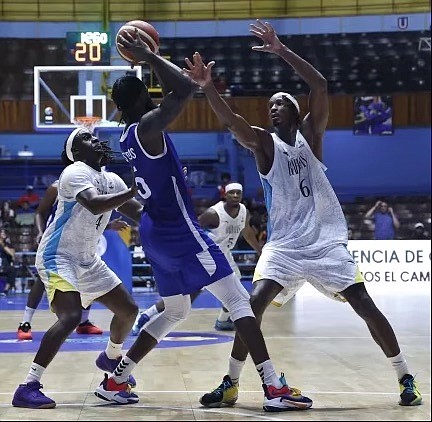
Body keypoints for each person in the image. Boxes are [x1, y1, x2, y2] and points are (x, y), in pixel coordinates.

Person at [183, 19, 422, 407]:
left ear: (295, 112)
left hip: (326, 242)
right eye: (270, 104)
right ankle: (230, 381)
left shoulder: (312, 138)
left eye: (279, 103)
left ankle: (405, 376)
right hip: (285, 246)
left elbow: (320, 86)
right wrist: (208, 88)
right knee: (251, 305)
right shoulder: (264, 144)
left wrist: (281, 50)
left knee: (366, 306)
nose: (272, 107)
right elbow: (233, 122)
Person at [94, 28, 312, 413]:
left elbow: (175, 93)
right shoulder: (147, 128)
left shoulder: (127, 135)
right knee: (239, 300)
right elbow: (182, 90)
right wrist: (151, 57)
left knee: (175, 311)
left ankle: (117, 377)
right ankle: (273, 386)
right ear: (144, 98)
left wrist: (151, 61)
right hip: (179, 230)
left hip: (155, 232)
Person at [12, 127, 145, 409]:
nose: (94, 139)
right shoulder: (74, 172)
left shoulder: (111, 178)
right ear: (77, 153)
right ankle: (28, 386)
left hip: (87, 259)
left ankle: (111, 356)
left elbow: (137, 212)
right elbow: (95, 205)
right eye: (86, 138)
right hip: (57, 256)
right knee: (72, 316)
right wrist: (134, 189)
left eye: (94, 136)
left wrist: (162, 195)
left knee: (129, 310)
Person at [131, 181, 262, 334]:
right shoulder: (214, 214)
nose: (235, 195)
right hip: (205, 257)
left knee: (235, 294)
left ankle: (223, 320)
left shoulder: (243, 211)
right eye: (231, 192)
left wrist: (259, 250)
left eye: (238, 193)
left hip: (224, 256)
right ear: (224, 195)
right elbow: (192, 230)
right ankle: (146, 315)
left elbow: (247, 232)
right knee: (184, 299)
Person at [17, 172, 117, 340]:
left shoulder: (94, 188)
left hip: (80, 242)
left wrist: (109, 226)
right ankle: (25, 323)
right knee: (42, 280)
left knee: (86, 275)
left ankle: (83, 323)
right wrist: (40, 233)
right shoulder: (57, 187)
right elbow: (40, 213)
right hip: (55, 241)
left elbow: (89, 220)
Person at [0, 227, 16, 295]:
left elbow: (12, 254)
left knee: (12, 270)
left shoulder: (8, 244)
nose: (4, 234)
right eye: (2, 232)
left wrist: (3, 245)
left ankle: (5, 291)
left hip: (4, 265)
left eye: (5, 233)